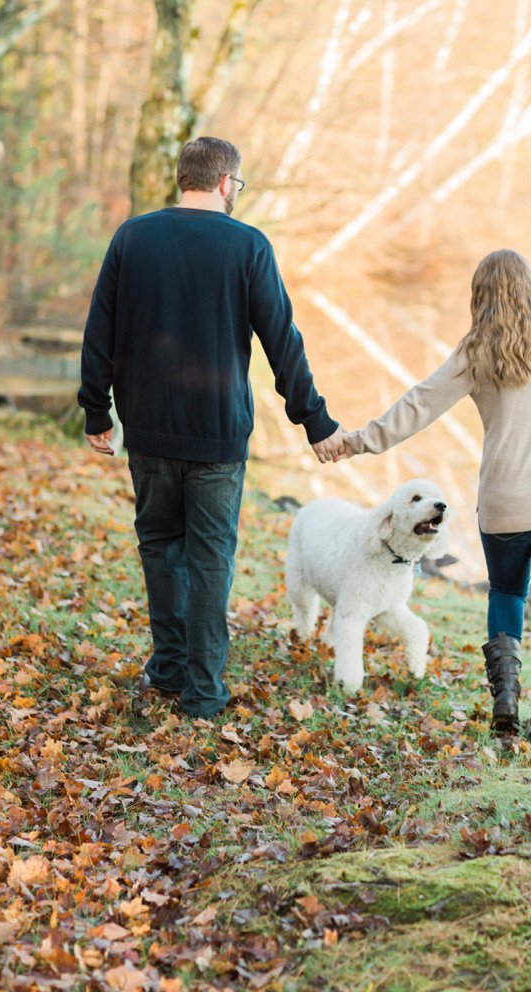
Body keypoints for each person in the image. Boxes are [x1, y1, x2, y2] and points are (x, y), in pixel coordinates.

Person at [78, 136, 344, 720]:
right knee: (210, 556)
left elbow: (100, 329)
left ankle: (168, 668)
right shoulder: (248, 244)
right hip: (218, 433)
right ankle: (201, 690)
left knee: (159, 546)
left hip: (148, 426)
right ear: (226, 184)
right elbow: (283, 343)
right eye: (238, 186)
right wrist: (315, 421)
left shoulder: (133, 237)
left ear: (184, 179)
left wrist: (97, 410)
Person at [341, 249, 531, 749]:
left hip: (509, 503)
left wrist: (358, 441)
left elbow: (420, 403)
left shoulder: (480, 349)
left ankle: (505, 704)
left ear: (481, 297)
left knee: (507, 594)